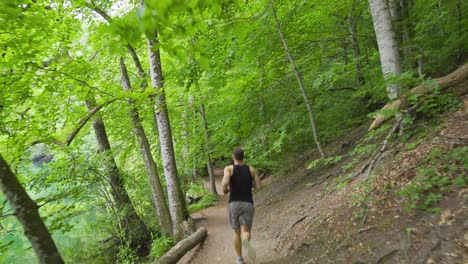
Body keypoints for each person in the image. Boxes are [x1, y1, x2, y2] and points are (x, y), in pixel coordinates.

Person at [222, 147, 262, 264]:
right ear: (243, 157)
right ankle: (246, 241)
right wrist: (250, 186)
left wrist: (225, 190)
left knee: (236, 232)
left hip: (234, 203)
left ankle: (239, 259)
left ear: (233, 157)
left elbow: (224, 183)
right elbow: (259, 186)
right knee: (246, 231)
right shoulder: (251, 169)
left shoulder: (229, 169)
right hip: (248, 203)